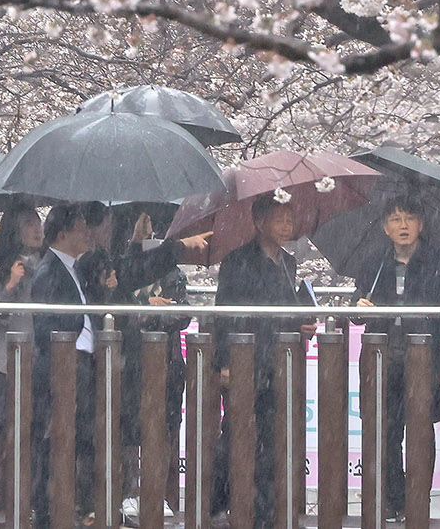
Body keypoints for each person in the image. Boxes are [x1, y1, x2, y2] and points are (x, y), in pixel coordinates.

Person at [90, 206, 209, 525]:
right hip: (131, 361)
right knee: (129, 432)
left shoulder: (172, 272)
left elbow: (182, 314)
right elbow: (121, 298)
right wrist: (145, 306)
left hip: (168, 362)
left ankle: (165, 495)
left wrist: (154, 310)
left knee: (167, 430)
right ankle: (128, 492)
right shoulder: (120, 263)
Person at [352, 194, 440, 519]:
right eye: (395, 219)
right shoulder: (374, 262)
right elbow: (357, 310)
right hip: (381, 357)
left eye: (409, 218)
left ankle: (418, 499)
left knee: (420, 431)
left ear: (421, 224)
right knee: (383, 432)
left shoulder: (439, 262)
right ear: (385, 228)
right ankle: (395, 500)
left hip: (423, 357)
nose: (403, 225)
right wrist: (357, 307)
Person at [211, 194, 315, 529]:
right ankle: (224, 500)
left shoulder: (288, 262)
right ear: (259, 222)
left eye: (290, 218)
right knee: (237, 433)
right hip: (245, 358)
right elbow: (225, 314)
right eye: (279, 218)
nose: (287, 226)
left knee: (272, 435)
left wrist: (303, 322)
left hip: (277, 363)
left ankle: (266, 507)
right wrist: (224, 362)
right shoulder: (237, 261)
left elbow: (285, 310)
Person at [29, 201, 110, 528]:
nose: (87, 234)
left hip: (80, 362)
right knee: (57, 439)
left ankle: (71, 505)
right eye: (80, 228)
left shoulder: (74, 269)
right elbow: (46, 326)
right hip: (63, 366)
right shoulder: (50, 270)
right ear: (63, 234)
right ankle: (50, 511)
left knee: (77, 438)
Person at [0, 204, 44, 490]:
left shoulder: (48, 263)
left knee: (35, 427)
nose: (37, 229)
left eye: (38, 223)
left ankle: (30, 488)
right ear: (14, 230)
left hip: (37, 355)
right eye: (29, 223)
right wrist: (10, 285)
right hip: (2, 359)